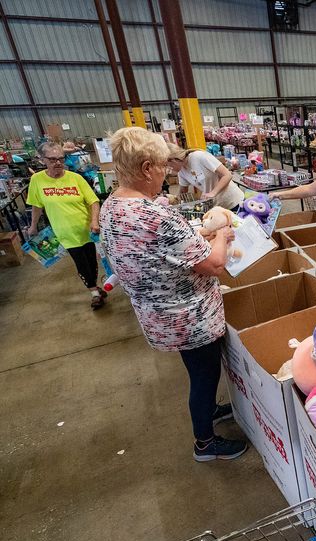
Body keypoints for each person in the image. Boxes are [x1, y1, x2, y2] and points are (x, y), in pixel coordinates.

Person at [101, 127, 247, 462]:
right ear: (146, 168)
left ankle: (208, 409)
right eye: (164, 166)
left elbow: (157, 254)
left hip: (159, 314)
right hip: (189, 317)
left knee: (197, 371)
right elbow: (213, 265)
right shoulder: (154, 216)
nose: (167, 173)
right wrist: (222, 235)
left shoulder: (112, 207)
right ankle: (205, 443)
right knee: (204, 374)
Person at [26, 142, 106, 309]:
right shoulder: (37, 180)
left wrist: (94, 221)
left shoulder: (76, 178)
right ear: (42, 160)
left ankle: (95, 286)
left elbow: (93, 201)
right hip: (64, 232)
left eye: (61, 159)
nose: (58, 163)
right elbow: (36, 206)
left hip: (87, 230)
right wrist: (33, 226)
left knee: (92, 262)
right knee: (81, 263)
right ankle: (94, 293)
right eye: (53, 159)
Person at [167, 144, 244, 209]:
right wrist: (173, 201)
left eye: (167, 165)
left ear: (173, 160)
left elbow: (227, 175)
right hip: (217, 206)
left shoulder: (199, 157)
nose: (168, 169)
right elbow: (183, 191)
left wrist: (213, 193)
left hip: (233, 201)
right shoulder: (181, 170)